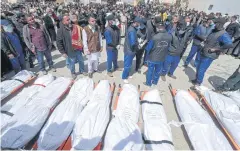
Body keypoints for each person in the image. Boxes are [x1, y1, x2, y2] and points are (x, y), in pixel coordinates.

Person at [192, 18, 233, 86]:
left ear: (220, 24)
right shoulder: (214, 30)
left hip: (210, 55)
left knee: (201, 69)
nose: (213, 24)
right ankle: (197, 79)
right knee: (198, 67)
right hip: (204, 51)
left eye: (215, 23)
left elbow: (229, 44)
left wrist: (216, 49)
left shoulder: (223, 34)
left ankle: (198, 83)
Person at [144, 16, 172, 87]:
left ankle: (148, 83)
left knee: (150, 71)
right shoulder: (169, 36)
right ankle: (154, 82)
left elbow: (148, 48)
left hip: (152, 58)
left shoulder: (155, 37)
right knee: (157, 71)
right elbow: (168, 47)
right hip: (162, 58)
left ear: (158, 28)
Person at [161, 15, 182, 80]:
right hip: (170, 49)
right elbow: (166, 34)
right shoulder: (169, 25)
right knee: (166, 63)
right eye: (174, 18)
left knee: (175, 64)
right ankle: (163, 74)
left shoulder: (181, 27)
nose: (175, 19)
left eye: (177, 18)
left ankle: (171, 73)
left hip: (178, 51)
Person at [122, 17, 141, 84]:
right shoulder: (132, 31)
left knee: (128, 64)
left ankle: (127, 74)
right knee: (127, 65)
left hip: (129, 49)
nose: (139, 25)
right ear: (136, 22)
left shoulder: (132, 28)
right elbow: (133, 43)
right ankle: (124, 77)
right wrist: (138, 45)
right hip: (130, 50)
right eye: (139, 23)